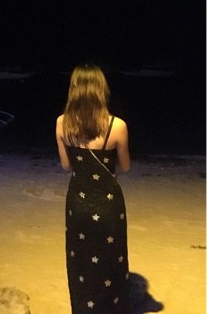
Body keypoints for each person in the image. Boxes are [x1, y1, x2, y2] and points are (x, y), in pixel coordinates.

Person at [56, 63, 131, 314]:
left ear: (74, 89)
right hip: (108, 204)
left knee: (81, 261)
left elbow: (66, 166)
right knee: (111, 260)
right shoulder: (117, 125)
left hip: (78, 202)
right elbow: (125, 166)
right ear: (101, 89)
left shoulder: (62, 123)